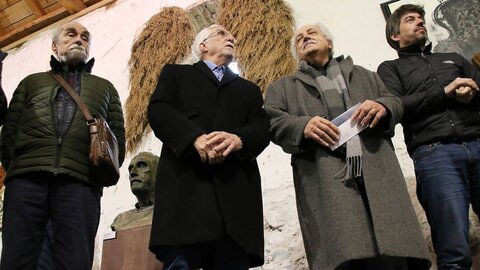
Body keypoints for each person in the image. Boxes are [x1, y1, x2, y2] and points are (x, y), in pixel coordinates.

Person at [264, 23, 431, 270]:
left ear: (329, 43)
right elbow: (271, 120)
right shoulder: (283, 87)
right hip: (325, 179)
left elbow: (394, 101)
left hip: (376, 168)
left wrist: (383, 106)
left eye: (312, 33)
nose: (305, 37)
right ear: (296, 53)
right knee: (344, 252)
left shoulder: (365, 74)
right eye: (299, 38)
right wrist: (303, 125)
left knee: (392, 251)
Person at [0, 21, 125, 270]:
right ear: (54, 46)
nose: (79, 39)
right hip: (27, 182)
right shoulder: (30, 82)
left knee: (74, 261)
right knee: (17, 259)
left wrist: (93, 176)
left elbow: (117, 142)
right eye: (71, 34)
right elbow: (8, 137)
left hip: (81, 185)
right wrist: (21, 169)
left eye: (85, 37)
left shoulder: (106, 89)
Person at [147, 24, 270, 270]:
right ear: (203, 45)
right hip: (186, 197)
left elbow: (263, 126)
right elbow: (159, 110)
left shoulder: (249, 90)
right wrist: (193, 138)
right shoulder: (175, 74)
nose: (232, 37)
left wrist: (239, 139)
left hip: (235, 205)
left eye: (231, 34)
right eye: (222, 34)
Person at [377, 4, 480, 270]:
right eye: (410, 20)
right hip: (435, 154)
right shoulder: (390, 69)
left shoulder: (455, 58)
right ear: (395, 36)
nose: (420, 22)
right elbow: (398, 105)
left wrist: (472, 93)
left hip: (477, 141)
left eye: (421, 19)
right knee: (454, 250)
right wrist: (445, 92)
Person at [111, 151, 159, 231]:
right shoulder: (121, 220)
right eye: (130, 169)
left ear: (158, 172)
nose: (132, 173)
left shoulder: (168, 214)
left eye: (141, 166)